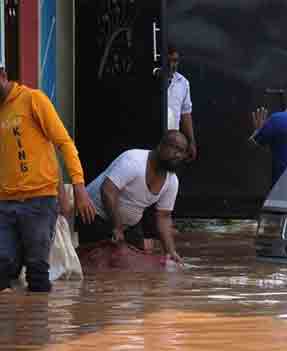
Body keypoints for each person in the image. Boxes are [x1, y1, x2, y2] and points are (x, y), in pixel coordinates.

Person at [0, 62, 97, 293]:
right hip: (4, 203)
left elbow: (63, 143)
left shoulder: (33, 100)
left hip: (39, 201)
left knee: (37, 272)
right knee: (3, 267)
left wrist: (78, 188)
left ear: (3, 75)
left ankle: (38, 324)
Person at [78, 130, 188, 265]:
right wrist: (117, 228)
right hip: (95, 215)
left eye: (182, 151)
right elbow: (108, 191)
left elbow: (163, 217)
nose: (178, 155)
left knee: (136, 271)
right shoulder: (134, 160)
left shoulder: (172, 181)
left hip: (129, 226)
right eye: (174, 148)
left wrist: (170, 251)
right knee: (94, 265)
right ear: (161, 146)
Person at [167, 46, 197, 161]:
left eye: (174, 61)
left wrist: (191, 141)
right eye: (168, 61)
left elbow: (185, 114)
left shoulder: (183, 83)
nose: (171, 65)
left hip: (173, 144)